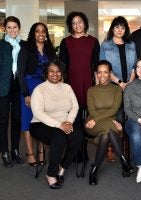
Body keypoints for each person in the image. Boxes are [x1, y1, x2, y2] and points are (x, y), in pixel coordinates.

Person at [30, 59, 82, 189]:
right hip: (40, 123)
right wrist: (59, 124)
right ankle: (51, 174)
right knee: (59, 138)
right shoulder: (39, 89)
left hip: (64, 122)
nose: (55, 74)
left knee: (77, 136)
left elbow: (75, 107)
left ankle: (62, 167)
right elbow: (38, 112)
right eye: (51, 71)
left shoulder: (67, 87)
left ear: (62, 73)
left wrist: (69, 122)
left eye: (58, 71)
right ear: (46, 73)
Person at [85, 60, 134, 185]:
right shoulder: (91, 90)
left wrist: (98, 119)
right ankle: (124, 162)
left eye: (105, 72)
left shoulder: (117, 89)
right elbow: (91, 111)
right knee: (112, 127)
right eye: (99, 72)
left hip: (107, 121)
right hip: (92, 124)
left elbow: (114, 110)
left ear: (110, 74)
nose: (102, 75)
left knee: (106, 135)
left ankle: (94, 169)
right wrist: (96, 120)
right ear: (96, 74)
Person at [18, 22, 55, 166]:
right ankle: (30, 153)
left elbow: (54, 71)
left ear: (46, 34)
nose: (40, 34)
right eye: (37, 31)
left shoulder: (50, 50)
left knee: (42, 120)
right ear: (33, 34)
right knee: (28, 120)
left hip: (45, 88)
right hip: (29, 87)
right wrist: (26, 94)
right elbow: (20, 73)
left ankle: (41, 151)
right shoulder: (26, 48)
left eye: (43, 31)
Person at [59, 11, 100, 129]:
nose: (77, 25)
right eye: (74, 23)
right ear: (71, 26)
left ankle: (85, 146)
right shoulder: (65, 42)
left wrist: (97, 84)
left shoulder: (93, 41)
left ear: (85, 23)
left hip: (88, 83)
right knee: (73, 115)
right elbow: (62, 66)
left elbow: (96, 64)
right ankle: (76, 145)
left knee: (88, 116)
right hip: (71, 83)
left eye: (80, 22)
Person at [0, 16, 25, 168]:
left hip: (18, 86)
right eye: (9, 27)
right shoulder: (1, 45)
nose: (12, 30)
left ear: (19, 28)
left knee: (17, 119)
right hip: (3, 86)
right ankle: (4, 152)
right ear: (5, 29)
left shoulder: (23, 46)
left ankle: (15, 150)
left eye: (15, 27)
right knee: (3, 120)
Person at [100, 16, 136, 90]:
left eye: (122, 28)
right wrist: (120, 83)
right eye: (117, 27)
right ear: (112, 29)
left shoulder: (131, 45)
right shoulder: (105, 45)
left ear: (125, 30)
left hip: (130, 85)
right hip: (112, 85)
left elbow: (134, 67)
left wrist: (129, 83)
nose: (120, 30)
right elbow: (104, 68)